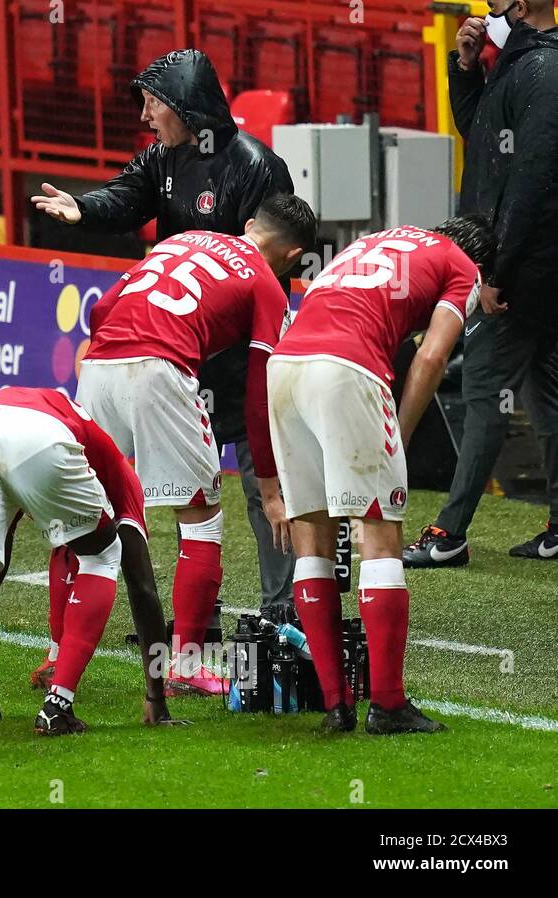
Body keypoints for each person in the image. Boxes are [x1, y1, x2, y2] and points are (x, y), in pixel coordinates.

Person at [31, 48, 300, 640]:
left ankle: (281, 609)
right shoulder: (163, 157)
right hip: (182, 352)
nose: (146, 116)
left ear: (187, 107)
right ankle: (196, 624)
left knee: (263, 478)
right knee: (186, 485)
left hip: (236, 348)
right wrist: (83, 207)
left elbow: (271, 259)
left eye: (154, 103)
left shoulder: (255, 165)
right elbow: (126, 197)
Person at [71, 193, 316, 696]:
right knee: (201, 516)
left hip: (98, 363)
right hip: (159, 368)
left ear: (249, 223)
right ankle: (182, 662)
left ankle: (59, 656)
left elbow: (102, 308)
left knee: (81, 513)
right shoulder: (268, 286)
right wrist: (271, 493)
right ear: (294, 257)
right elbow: (257, 391)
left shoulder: (182, 239)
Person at [269, 217, 495, 734]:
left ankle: (334, 704)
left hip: (285, 368)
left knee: (314, 541)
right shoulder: (461, 266)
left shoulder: (370, 243)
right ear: (479, 260)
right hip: (346, 369)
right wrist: (403, 428)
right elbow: (433, 354)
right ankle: (388, 705)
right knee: (379, 533)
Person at [0, 387, 183, 764]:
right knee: (104, 554)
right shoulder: (119, 475)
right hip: (41, 437)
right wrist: (156, 699)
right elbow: (143, 590)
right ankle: (57, 707)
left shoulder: (51, 428)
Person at [404, 1, 558, 567]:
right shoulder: (522, 63)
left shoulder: (542, 69)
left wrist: (497, 272)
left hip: (523, 271)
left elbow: (531, 184)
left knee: (484, 392)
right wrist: (466, 70)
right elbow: (484, 140)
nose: (483, 9)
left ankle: (449, 534)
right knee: (547, 397)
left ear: (518, 8)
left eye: (494, 3)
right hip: (534, 267)